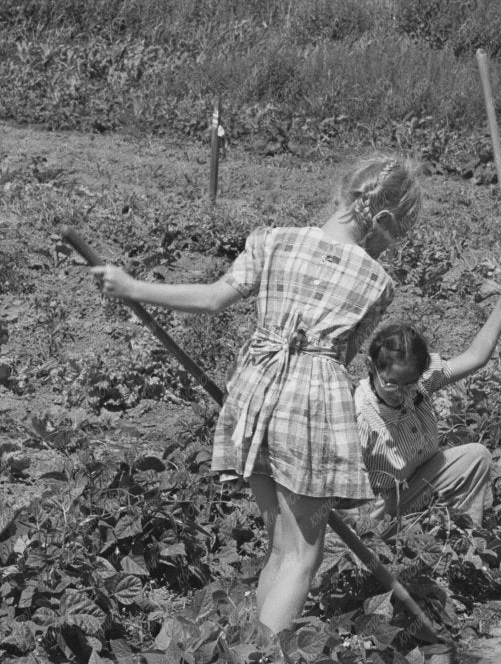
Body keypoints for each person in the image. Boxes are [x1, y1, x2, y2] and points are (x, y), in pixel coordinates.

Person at [86, 155, 422, 633]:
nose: (393, 247)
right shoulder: (377, 282)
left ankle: (246, 657)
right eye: (397, 235)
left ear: (342, 194)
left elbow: (214, 297)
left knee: (280, 546)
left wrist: (133, 286)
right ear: (383, 220)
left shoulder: (272, 241)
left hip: (255, 397)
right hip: (311, 408)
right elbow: (342, 357)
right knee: (304, 554)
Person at [351, 274, 501, 536]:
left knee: (475, 457)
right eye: (391, 383)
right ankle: (389, 545)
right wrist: (362, 515)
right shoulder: (363, 416)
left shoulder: (421, 381)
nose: (400, 392)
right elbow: (341, 483)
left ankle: (461, 537)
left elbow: (475, 357)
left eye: (408, 384)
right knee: (367, 532)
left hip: (419, 481)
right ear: (371, 368)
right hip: (382, 503)